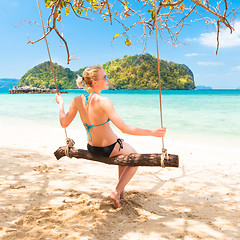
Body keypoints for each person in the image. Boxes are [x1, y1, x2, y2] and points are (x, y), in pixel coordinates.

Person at [55, 65, 166, 208]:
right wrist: (152, 133)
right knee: (136, 158)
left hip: (92, 148)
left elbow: (64, 123)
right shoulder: (104, 101)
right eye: (105, 77)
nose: (108, 79)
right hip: (109, 148)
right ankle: (116, 191)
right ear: (95, 82)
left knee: (124, 157)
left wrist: (61, 103)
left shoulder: (76, 100)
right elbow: (124, 128)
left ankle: (121, 194)